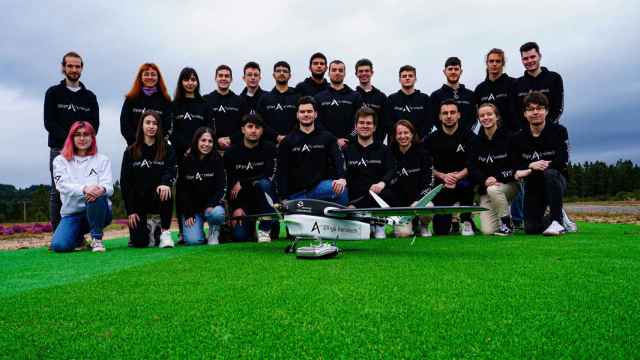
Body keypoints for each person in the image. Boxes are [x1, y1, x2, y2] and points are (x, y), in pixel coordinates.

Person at [44, 51, 99, 231]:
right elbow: (49, 122)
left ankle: (80, 233)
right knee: (58, 191)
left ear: (82, 68)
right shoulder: (53, 93)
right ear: (63, 68)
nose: (74, 69)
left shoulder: (90, 97)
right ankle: (58, 233)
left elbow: (94, 125)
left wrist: (81, 142)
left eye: (77, 66)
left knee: (84, 190)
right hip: (59, 150)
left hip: (84, 152)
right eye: (70, 66)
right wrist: (70, 141)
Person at [512, 92, 570, 235]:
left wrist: (539, 166)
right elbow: (515, 164)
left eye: (539, 108)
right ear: (525, 114)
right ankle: (561, 220)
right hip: (534, 184)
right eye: (530, 109)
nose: (535, 112)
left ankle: (557, 221)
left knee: (550, 173)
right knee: (531, 229)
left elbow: (562, 160)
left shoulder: (559, 131)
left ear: (547, 111)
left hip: (556, 180)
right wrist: (531, 166)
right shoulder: (518, 137)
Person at [50, 121, 112, 253]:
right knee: (59, 246)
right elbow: (62, 185)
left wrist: (101, 189)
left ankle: (97, 239)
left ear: (92, 138)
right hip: (72, 214)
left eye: (86, 134)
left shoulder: (102, 159)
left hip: (99, 210)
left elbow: (109, 187)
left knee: (97, 193)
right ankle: (78, 237)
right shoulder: (60, 160)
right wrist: (84, 189)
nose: (82, 138)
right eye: (77, 135)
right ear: (71, 138)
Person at [167, 67, 212, 242]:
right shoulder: (174, 104)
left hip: (202, 153)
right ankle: (181, 230)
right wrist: (185, 148)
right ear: (181, 82)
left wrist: (197, 147)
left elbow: (209, 129)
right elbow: (172, 131)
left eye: (193, 79)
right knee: (182, 189)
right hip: (181, 155)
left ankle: (213, 228)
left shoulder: (204, 104)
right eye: (186, 79)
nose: (190, 83)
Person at [276, 96, 348, 204]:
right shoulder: (287, 141)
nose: (306, 114)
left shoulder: (327, 137)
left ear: (315, 114)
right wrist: (284, 198)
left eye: (309, 111)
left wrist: (342, 178)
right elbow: (281, 172)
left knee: (341, 190)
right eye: (302, 112)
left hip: (320, 189)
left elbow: (338, 159)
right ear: (297, 115)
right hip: (296, 194)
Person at [120, 112, 177, 248]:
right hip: (138, 202)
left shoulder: (167, 149)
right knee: (139, 243)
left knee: (166, 190)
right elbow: (125, 182)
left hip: (158, 198)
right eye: (148, 122)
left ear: (159, 127)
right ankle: (150, 227)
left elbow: (171, 170)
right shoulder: (130, 151)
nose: (151, 126)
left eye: (155, 123)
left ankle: (164, 233)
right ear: (142, 125)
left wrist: (165, 183)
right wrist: (131, 211)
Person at [424, 99, 476, 236]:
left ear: (459, 115)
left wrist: (457, 177)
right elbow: (426, 166)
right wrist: (443, 176)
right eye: (445, 113)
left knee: (467, 186)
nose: (449, 116)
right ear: (440, 116)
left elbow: (474, 163)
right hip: (441, 184)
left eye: (452, 112)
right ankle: (448, 222)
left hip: (463, 182)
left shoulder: (470, 136)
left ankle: (466, 221)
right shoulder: (431, 139)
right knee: (441, 231)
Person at [344, 107, 397, 239]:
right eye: (361, 123)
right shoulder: (347, 150)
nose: (365, 126)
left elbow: (392, 170)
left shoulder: (384, 150)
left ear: (374, 127)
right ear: (356, 126)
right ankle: (366, 222)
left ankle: (379, 224)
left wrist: (382, 183)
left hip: (376, 197)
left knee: (388, 193)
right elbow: (341, 173)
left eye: (369, 123)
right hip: (355, 197)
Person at [224, 114, 278, 242]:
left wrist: (242, 182)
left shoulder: (269, 148)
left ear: (262, 130)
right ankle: (248, 226)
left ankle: (265, 227)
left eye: (257, 127)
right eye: (250, 127)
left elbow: (268, 175)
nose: (254, 130)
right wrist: (236, 207)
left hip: (264, 201)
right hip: (244, 203)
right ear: (243, 129)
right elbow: (229, 183)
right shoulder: (231, 153)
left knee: (264, 183)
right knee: (240, 237)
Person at [469, 103, 518, 236]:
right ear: (479, 119)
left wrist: (497, 178)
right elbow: (472, 168)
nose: (486, 118)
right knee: (488, 231)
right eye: (482, 115)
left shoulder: (510, 137)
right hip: (486, 188)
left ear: (497, 117)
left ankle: (507, 224)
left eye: (489, 114)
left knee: (493, 189)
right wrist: (485, 180)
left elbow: (515, 166)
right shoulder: (475, 142)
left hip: (508, 185)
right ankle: (503, 216)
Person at [177, 127, 226, 245]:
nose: (206, 144)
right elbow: (182, 190)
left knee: (218, 213)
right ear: (196, 141)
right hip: (193, 210)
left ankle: (214, 230)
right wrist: (188, 212)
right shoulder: (186, 160)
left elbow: (221, 187)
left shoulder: (217, 159)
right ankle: (199, 233)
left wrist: (211, 205)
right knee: (193, 241)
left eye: (210, 141)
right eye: (203, 140)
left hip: (211, 208)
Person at [388, 120, 433, 237]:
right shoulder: (389, 154)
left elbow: (428, 182)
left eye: (406, 133)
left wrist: (418, 201)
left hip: (418, 202)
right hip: (399, 206)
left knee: (428, 206)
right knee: (403, 234)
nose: (403, 136)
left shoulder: (423, 154)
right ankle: (405, 225)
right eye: (399, 133)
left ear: (412, 134)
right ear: (395, 136)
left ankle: (423, 226)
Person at [512, 41, 564, 129]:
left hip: (551, 132)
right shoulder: (516, 84)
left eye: (533, 57)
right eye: (525, 58)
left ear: (539, 56)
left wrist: (545, 128)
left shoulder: (554, 78)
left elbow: (559, 107)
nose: (529, 61)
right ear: (522, 60)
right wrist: (525, 131)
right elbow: (515, 112)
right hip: (526, 136)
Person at [314, 60, 363, 149]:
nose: (337, 73)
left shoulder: (355, 96)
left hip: (351, 146)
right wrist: (334, 139)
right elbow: (317, 123)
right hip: (326, 146)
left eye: (341, 70)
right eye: (334, 70)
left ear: (344, 74)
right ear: (328, 73)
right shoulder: (319, 98)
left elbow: (361, 122)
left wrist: (349, 138)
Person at [119, 63, 171, 146]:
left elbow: (168, 125)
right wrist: (136, 143)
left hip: (158, 149)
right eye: (146, 74)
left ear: (158, 78)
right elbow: (125, 125)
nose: (150, 77)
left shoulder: (165, 100)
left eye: (153, 75)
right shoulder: (131, 99)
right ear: (140, 77)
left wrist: (154, 143)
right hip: (134, 147)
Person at [474, 48, 518, 134]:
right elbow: (476, 115)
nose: (494, 64)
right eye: (491, 61)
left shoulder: (513, 84)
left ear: (503, 64)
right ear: (487, 63)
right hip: (487, 136)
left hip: (510, 135)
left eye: (498, 61)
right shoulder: (480, 88)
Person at [204, 65, 248, 151]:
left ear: (231, 79)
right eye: (220, 75)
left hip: (234, 148)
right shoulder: (206, 100)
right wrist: (216, 140)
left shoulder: (240, 101)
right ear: (215, 78)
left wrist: (230, 139)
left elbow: (245, 126)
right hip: (211, 148)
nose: (223, 78)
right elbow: (203, 125)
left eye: (227, 76)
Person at [256, 61, 300, 144]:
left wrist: (290, 137)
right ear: (273, 75)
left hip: (294, 143)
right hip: (269, 144)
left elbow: (302, 120)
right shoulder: (265, 98)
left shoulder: (297, 97)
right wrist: (276, 136)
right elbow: (260, 122)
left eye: (285, 71)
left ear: (290, 76)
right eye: (278, 71)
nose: (282, 73)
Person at [430, 57, 477, 133]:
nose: (453, 72)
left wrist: (466, 134)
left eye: (456, 69)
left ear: (461, 71)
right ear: (444, 71)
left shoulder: (470, 95)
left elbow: (474, 118)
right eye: (450, 69)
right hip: (444, 137)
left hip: (466, 139)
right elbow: (434, 119)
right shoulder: (435, 95)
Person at [386, 65, 433, 140]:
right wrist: (400, 136)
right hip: (396, 144)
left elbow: (429, 123)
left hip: (419, 143)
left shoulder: (425, 99)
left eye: (410, 76)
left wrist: (416, 137)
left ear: (415, 79)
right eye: (404, 76)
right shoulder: (391, 99)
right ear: (400, 80)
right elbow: (387, 122)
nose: (407, 78)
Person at [354, 58, 388, 143]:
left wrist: (378, 141)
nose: (364, 73)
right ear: (356, 74)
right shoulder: (352, 96)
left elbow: (384, 123)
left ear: (372, 73)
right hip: (355, 145)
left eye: (367, 71)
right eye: (361, 71)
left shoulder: (381, 97)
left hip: (376, 145)